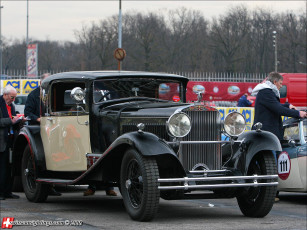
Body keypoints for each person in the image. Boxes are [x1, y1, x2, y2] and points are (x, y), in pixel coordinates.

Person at [24, 73, 61, 196]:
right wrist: (38, 119)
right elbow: (27, 112)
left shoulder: (53, 95)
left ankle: (52, 185)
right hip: (38, 128)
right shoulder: (33, 95)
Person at [252, 72, 307, 140]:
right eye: (280, 83)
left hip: (266, 134)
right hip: (266, 135)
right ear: (275, 82)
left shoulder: (266, 92)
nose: (281, 86)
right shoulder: (266, 93)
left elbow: (274, 106)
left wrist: (288, 105)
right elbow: (279, 109)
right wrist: (298, 113)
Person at [0, 86, 26, 200]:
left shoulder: (11, 105)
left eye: (14, 97)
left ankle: (7, 191)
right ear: (5, 95)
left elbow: (12, 120)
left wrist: (19, 121)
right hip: (2, 140)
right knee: (2, 168)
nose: (13, 100)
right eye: (12, 97)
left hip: (10, 139)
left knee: (10, 167)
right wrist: (11, 120)